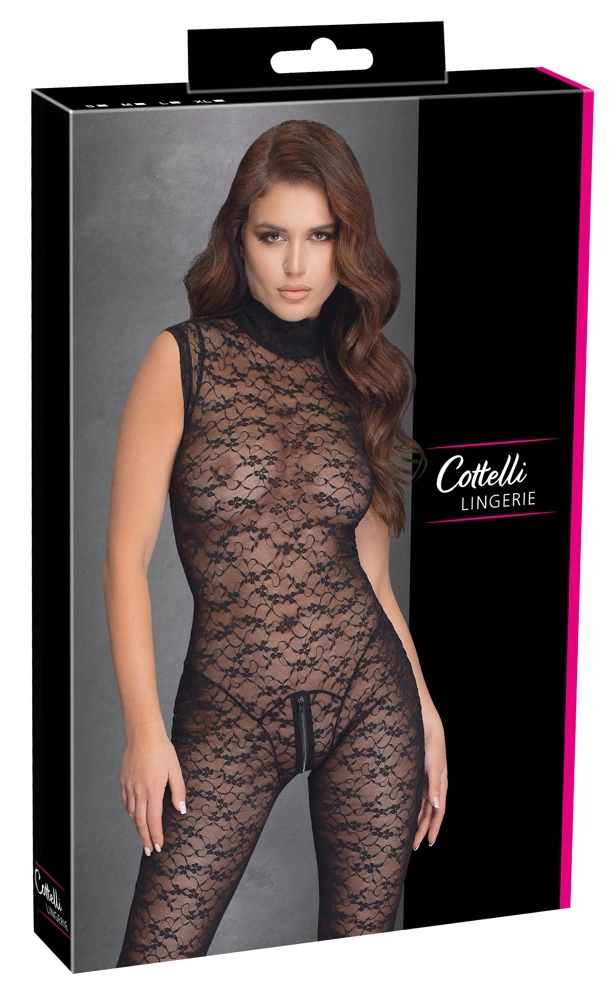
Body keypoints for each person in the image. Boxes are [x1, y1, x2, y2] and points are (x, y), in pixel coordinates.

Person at [103, 119, 447, 967]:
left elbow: (373, 577)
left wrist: (427, 712)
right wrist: (144, 729)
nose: (297, 265)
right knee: (151, 966)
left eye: (320, 236)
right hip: (229, 709)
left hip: (371, 701)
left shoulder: (360, 373)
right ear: (239, 238)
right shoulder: (184, 361)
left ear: (347, 244)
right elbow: (124, 561)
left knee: (358, 968)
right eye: (273, 236)